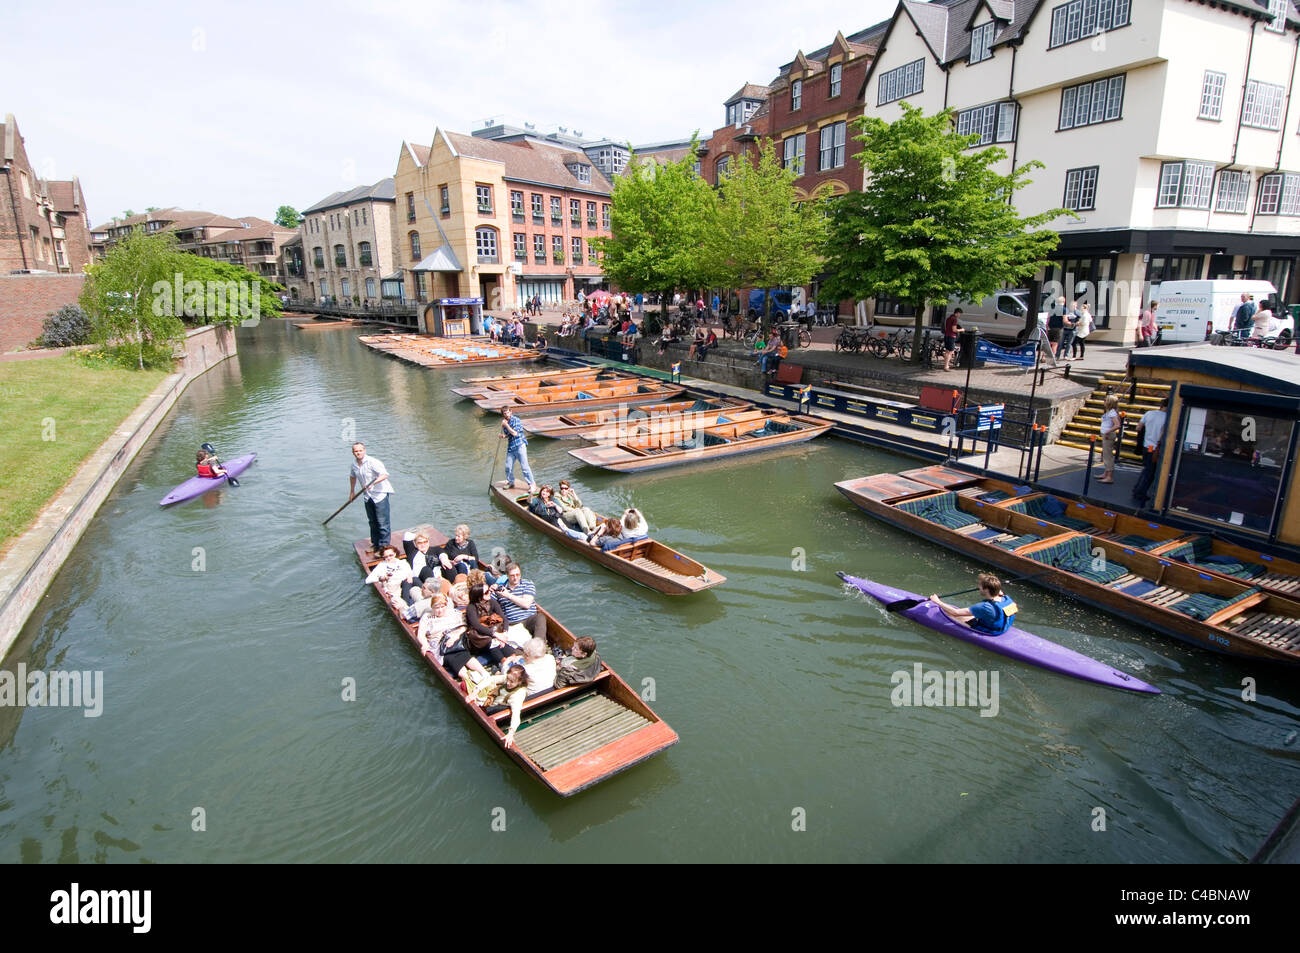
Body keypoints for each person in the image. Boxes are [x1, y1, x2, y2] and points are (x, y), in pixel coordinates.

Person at [930, 573, 1018, 635]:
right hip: (1001, 628)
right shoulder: (1006, 599)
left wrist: (937, 601)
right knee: (967, 615)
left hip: (989, 631)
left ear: (986, 590)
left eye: (980, 586)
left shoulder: (984, 607)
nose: (978, 588)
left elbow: (955, 612)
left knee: (949, 616)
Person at [468, 663, 529, 748]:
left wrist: (511, 733)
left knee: (465, 685)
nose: (508, 683)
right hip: (492, 700)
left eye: (512, 682)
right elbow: (491, 679)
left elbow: (516, 714)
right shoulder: (509, 678)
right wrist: (475, 692)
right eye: (508, 679)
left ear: (520, 681)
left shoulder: (518, 695)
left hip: (494, 709)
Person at [349, 442, 394, 556]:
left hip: (379, 494)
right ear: (353, 453)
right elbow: (352, 476)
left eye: (360, 450)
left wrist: (373, 483)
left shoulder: (373, 462)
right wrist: (352, 491)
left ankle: (384, 547)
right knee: (372, 521)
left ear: (364, 450)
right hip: (367, 495)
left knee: (382, 523)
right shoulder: (354, 464)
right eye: (356, 451)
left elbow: (384, 474)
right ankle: (376, 544)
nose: (358, 453)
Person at [495, 562, 547, 644]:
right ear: (507, 576)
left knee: (540, 617)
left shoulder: (527, 584)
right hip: (513, 623)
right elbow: (489, 601)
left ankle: (538, 646)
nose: (515, 578)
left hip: (529, 619)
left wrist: (508, 595)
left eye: (517, 574)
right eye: (512, 575)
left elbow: (526, 604)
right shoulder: (499, 589)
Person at [1132, 397, 1169, 504]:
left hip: (1146, 446)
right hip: (1156, 448)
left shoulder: (1149, 413)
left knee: (1146, 469)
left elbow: (1138, 428)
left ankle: (1137, 489)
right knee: (1150, 472)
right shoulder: (1168, 418)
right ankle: (1140, 492)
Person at [500, 407, 535, 490]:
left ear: (511, 412)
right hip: (511, 447)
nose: (506, 415)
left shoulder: (516, 420)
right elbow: (509, 434)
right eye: (504, 413)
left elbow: (515, 433)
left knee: (524, 467)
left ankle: (532, 484)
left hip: (520, 445)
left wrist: (506, 425)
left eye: (507, 412)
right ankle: (511, 482)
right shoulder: (505, 422)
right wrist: (503, 436)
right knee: (508, 467)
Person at [1097, 394, 1120, 483]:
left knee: (1108, 456)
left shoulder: (1112, 413)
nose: (1104, 402)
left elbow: (1117, 424)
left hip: (1108, 436)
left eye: (1106, 400)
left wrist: (1107, 431)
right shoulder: (1110, 412)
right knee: (1106, 455)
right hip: (1105, 435)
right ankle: (1106, 473)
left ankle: (1109, 476)